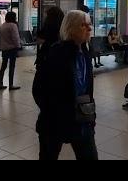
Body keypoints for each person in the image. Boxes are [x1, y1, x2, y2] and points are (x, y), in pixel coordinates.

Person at [33, 10, 98, 160]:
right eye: (83, 25)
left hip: (82, 118)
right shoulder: (56, 53)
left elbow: (88, 89)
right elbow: (38, 89)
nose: (89, 28)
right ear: (71, 28)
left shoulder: (86, 53)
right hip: (55, 120)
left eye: (89, 24)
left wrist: (91, 115)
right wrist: (54, 110)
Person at [35, 6, 64, 71]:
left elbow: (40, 38)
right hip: (60, 55)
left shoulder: (48, 25)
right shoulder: (63, 25)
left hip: (46, 53)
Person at [0, 11, 21, 91]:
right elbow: (16, 38)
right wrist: (18, 46)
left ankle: (0, 84)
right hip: (12, 49)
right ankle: (11, 85)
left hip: (4, 48)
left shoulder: (3, 25)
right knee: (12, 66)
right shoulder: (13, 26)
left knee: (3, 66)